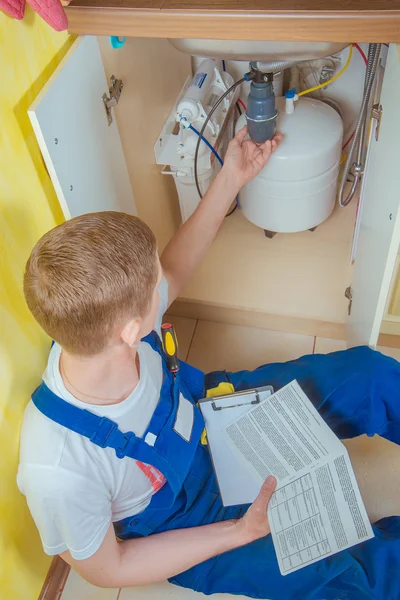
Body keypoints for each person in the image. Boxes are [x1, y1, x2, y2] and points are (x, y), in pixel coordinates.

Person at [18, 126, 400, 600]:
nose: (164, 282)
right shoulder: (58, 466)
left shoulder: (100, 326)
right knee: (358, 584)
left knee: (368, 376)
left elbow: (176, 268)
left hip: (214, 416)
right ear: (131, 333)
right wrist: (238, 533)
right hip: (188, 520)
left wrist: (232, 177)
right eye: (153, 283)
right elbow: (106, 569)